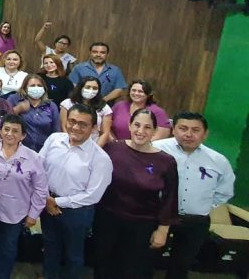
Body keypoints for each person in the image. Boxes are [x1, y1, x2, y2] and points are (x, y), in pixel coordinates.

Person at [93, 108, 178, 279]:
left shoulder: (166, 161)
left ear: (154, 131)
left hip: (142, 225)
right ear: (129, 126)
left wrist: (163, 229)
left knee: (134, 270)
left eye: (147, 127)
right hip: (107, 220)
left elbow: (170, 198)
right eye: (137, 125)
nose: (141, 131)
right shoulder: (111, 149)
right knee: (103, 267)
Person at [154, 112, 236, 279]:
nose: (188, 134)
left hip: (196, 221)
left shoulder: (218, 160)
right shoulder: (156, 149)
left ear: (205, 134)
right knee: (147, 260)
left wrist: (202, 205)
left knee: (181, 266)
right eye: (183, 128)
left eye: (195, 130)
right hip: (159, 217)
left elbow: (224, 191)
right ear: (173, 130)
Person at [39, 104, 113, 279]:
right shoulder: (54, 139)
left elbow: (93, 195)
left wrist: (56, 202)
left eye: (82, 124)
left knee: (73, 255)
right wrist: (46, 198)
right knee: (50, 248)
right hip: (47, 204)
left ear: (93, 128)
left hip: (77, 213)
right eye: (72, 121)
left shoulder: (100, 158)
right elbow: (38, 168)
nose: (75, 127)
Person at [0, 115, 48, 279]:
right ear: (0, 131)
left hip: (15, 213)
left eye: (15, 131)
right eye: (6, 129)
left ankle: (3, 275)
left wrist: (33, 214)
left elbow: (40, 189)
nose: (10, 134)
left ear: (23, 135)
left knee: (8, 247)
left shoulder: (33, 157)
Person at [7, 74, 61, 152]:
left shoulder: (51, 106)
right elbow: (4, 121)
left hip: (43, 151)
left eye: (39, 85)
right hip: (18, 150)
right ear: (25, 88)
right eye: (32, 86)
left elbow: (56, 132)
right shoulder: (14, 99)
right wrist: (18, 109)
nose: (36, 88)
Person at [61, 76, 113, 146]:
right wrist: (70, 144)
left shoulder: (104, 108)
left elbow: (105, 133)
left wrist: (95, 149)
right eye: (88, 87)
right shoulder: (67, 103)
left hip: (93, 144)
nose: (91, 90)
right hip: (69, 143)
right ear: (81, 88)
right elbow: (64, 126)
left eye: (95, 88)